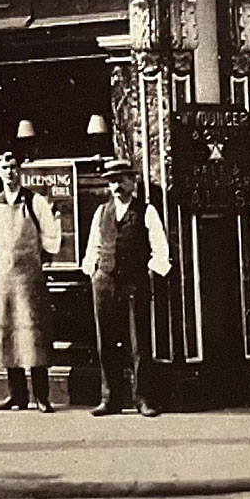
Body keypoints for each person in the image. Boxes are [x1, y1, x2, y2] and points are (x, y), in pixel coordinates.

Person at [81, 157, 171, 416]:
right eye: (112, 181)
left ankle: (142, 398)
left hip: (134, 283)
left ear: (133, 182)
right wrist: (93, 272)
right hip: (105, 282)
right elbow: (93, 247)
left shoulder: (146, 211)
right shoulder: (102, 212)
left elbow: (161, 249)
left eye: (121, 180)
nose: (116, 186)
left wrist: (151, 272)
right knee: (106, 342)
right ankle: (110, 399)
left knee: (138, 342)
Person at [0, 150, 63, 412]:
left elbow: (52, 238)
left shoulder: (35, 201)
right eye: (5, 167)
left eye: (14, 167)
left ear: (20, 171)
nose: (10, 172)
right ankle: (17, 395)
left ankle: (41, 395)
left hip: (30, 277)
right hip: (4, 276)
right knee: (8, 336)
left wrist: (40, 261)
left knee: (34, 335)